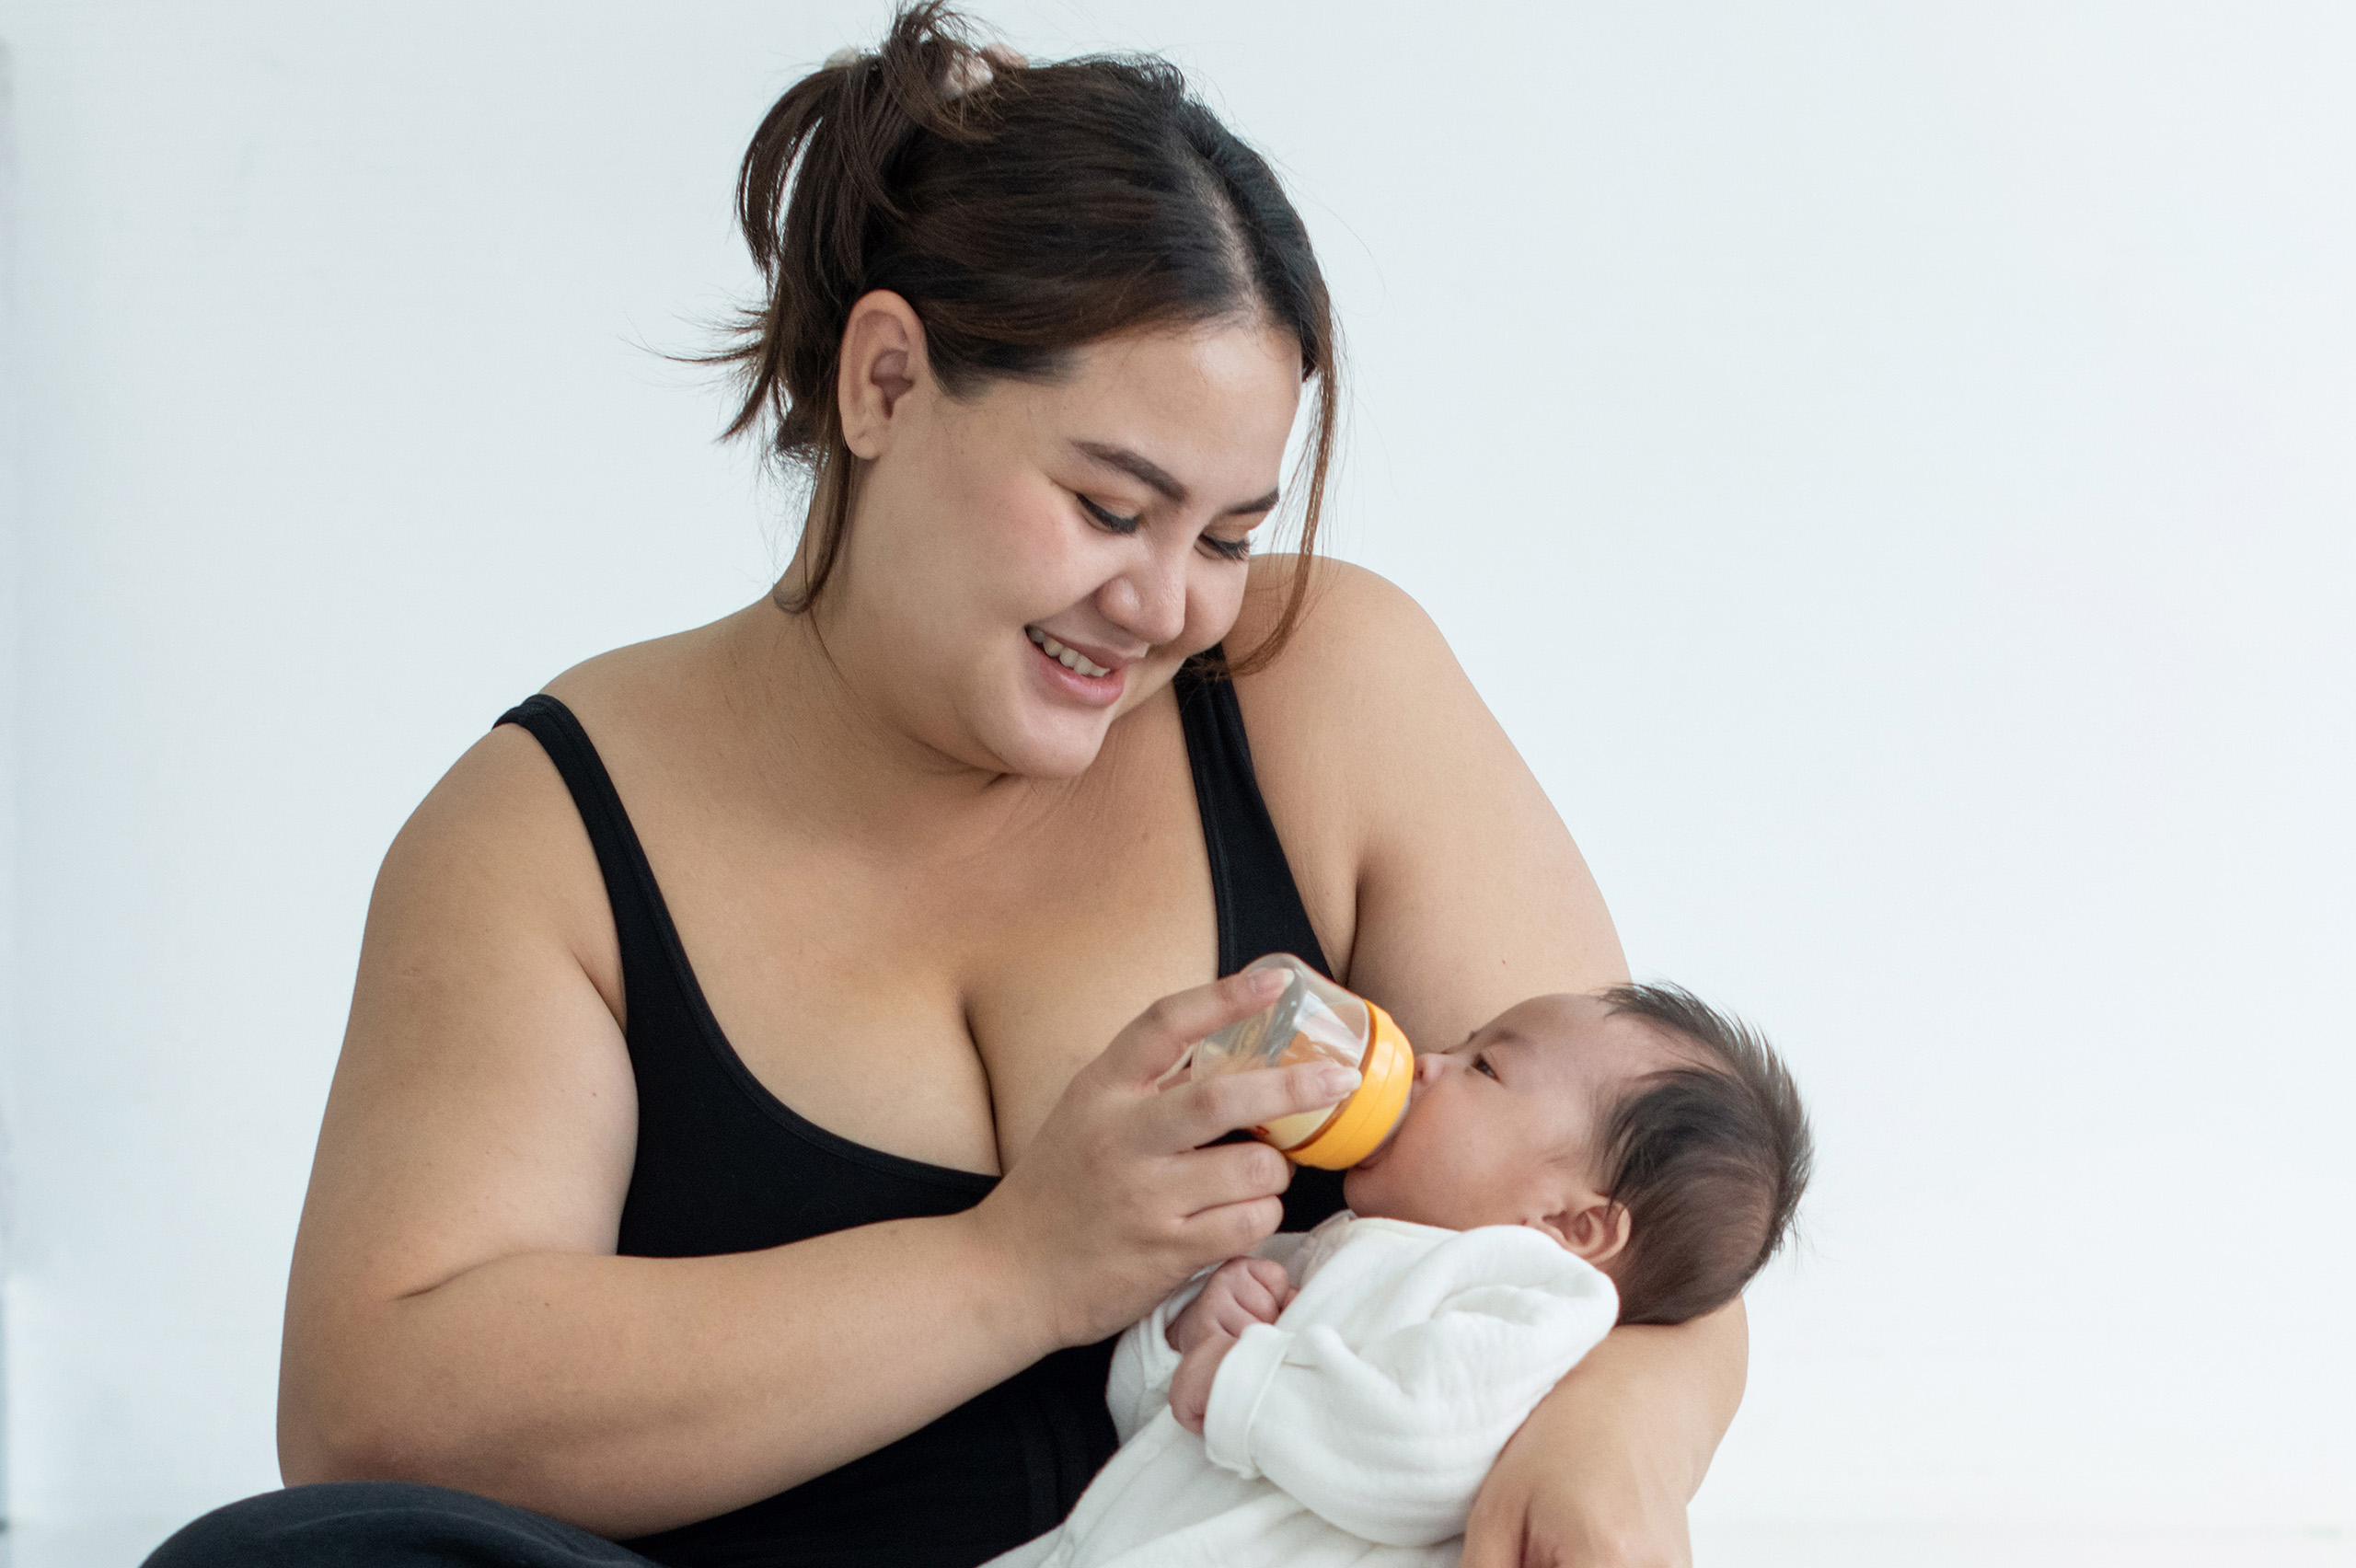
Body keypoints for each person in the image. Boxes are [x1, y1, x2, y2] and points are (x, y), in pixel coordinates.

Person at [145, 6, 1750, 1566]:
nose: (1171, 603)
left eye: (1229, 533)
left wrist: (1610, 1427)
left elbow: (1643, 1195)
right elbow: (374, 1416)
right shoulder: (544, 834)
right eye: (1111, 505)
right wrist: (1013, 1266)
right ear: (887, 385)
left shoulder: (1320, 682)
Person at [984, 985, 1812, 1568]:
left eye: (1483, 1067)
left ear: (1572, 1224)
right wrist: (1188, 1333)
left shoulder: (1538, 1301)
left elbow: (1422, 1445)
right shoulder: (1328, 1246)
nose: (1427, 1062)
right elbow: (1154, 1422)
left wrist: (1243, 1378)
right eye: (1458, 1047)